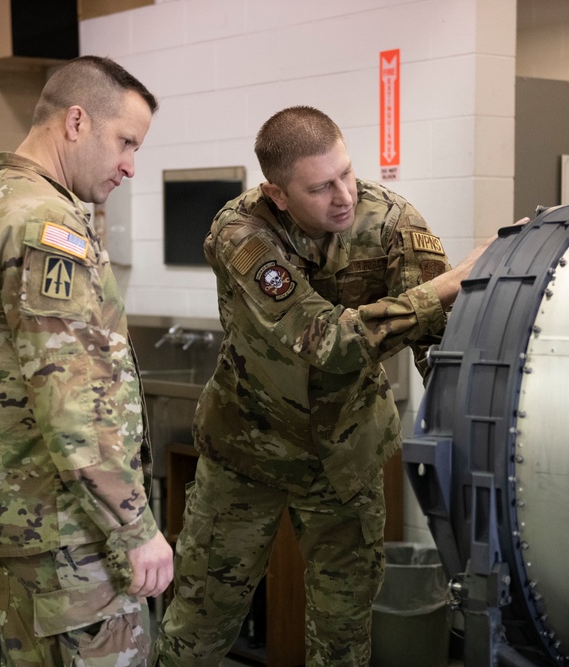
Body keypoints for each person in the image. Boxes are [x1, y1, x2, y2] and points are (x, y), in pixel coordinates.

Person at [152, 106, 506, 666]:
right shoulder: (243, 232)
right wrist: (444, 286)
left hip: (346, 455)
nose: (343, 195)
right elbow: (322, 339)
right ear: (278, 193)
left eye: (347, 172)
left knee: (343, 637)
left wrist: (468, 431)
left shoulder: (390, 221)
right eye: (320, 187)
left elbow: (440, 341)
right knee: (198, 626)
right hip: (248, 453)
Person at [0, 56, 173, 667]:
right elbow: (72, 399)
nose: (130, 164)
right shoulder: (44, 223)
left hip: (24, 519)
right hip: (71, 533)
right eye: (125, 141)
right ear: (76, 121)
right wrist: (135, 529)